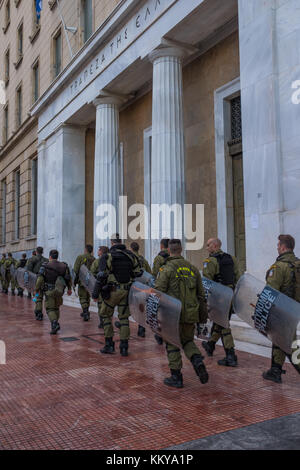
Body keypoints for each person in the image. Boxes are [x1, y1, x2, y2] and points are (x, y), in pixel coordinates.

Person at [155, 239, 209, 388]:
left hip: (173, 314)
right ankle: (197, 360)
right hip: (190, 313)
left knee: (172, 343)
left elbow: (158, 291)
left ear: (168, 251)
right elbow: (201, 295)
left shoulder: (166, 269)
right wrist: (202, 317)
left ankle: (176, 377)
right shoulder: (193, 268)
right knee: (187, 341)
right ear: (181, 249)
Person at [92, 234, 142, 357]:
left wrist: (95, 293)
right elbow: (138, 273)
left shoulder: (107, 256)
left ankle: (109, 345)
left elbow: (101, 276)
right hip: (127, 291)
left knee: (105, 315)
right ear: (121, 242)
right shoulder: (131, 256)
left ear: (112, 242)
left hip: (112, 291)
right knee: (124, 318)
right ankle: (124, 348)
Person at [263, 234, 300, 383]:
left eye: (278, 245)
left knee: (290, 343)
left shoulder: (278, 267)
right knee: (280, 338)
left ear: (283, 247)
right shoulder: (298, 264)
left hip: (282, 310)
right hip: (295, 308)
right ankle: (275, 370)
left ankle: (276, 370)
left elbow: (270, 292)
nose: (277, 247)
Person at [202, 238, 241, 367]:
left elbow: (207, 282)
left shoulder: (211, 261)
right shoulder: (232, 258)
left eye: (208, 245)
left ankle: (231, 356)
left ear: (215, 245)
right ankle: (210, 345)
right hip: (230, 295)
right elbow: (238, 277)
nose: (206, 248)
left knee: (223, 324)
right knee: (220, 322)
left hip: (218, 297)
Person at [35, 250, 72, 335]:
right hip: (60, 291)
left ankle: (54, 323)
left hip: (49, 291)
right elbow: (68, 278)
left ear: (50, 256)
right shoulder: (64, 266)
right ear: (57, 256)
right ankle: (54, 326)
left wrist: (36, 289)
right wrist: (69, 289)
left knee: (50, 309)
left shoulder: (45, 265)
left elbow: (40, 279)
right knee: (56, 308)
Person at [130, 241, 152, 338]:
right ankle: (141, 329)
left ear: (131, 249)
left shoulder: (129, 258)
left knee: (127, 306)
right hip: (142, 287)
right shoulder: (143, 260)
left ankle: (123, 326)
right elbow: (149, 273)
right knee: (141, 307)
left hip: (132, 286)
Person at [151, 239, 170, 345]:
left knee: (160, 312)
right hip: (173, 289)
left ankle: (160, 334)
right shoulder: (174, 256)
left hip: (162, 288)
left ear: (161, 245)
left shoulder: (159, 257)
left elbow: (154, 274)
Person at [73, 245, 95, 321]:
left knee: (82, 297)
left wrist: (74, 281)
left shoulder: (80, 257)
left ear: (85, 250)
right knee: (87, 297)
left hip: (82, 281)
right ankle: (85, 311)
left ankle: (85, 312)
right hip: (90, 281)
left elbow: (76, 269)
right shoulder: (94, 259)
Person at [91, 246, 109, 329]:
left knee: (100, 305)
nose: (97, 251)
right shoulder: (111, 260)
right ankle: (107, 321)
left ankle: (102, 322)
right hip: (110, 286)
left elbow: (92, 273)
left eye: (99, 250)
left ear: (101, 252)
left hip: (100, 286)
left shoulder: (97, 261)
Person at [27, 247, 48, 319]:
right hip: (44, 280)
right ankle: (37, 309)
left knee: (37, 296)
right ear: (42, 252)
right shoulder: (46, 260)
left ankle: (39, 312)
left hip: (35, 280)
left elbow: (28, 271)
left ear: (36, 252)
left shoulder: (31, 259)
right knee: (38, 296)